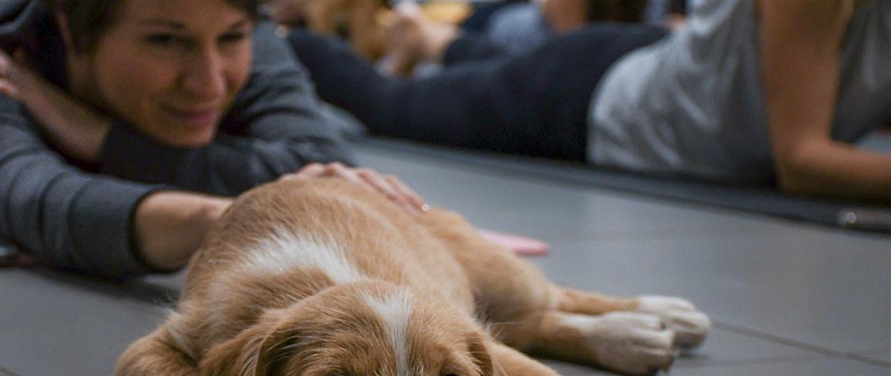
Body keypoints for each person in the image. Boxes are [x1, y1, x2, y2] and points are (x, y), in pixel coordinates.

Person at [0, 0, 422, 279]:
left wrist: (100, 138)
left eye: (231, 40)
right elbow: (42, 204)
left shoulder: (218, 18)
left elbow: (317, 159)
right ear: (73, 33)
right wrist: (244, 217)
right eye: (165, 43)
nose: (208, 83)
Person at [287, 0, 891, 203]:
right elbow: (803, 160)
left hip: (631, 62)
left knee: (489, 71)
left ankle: (439, 41)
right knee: (393, 104)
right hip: (590, 91)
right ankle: (279, 37)